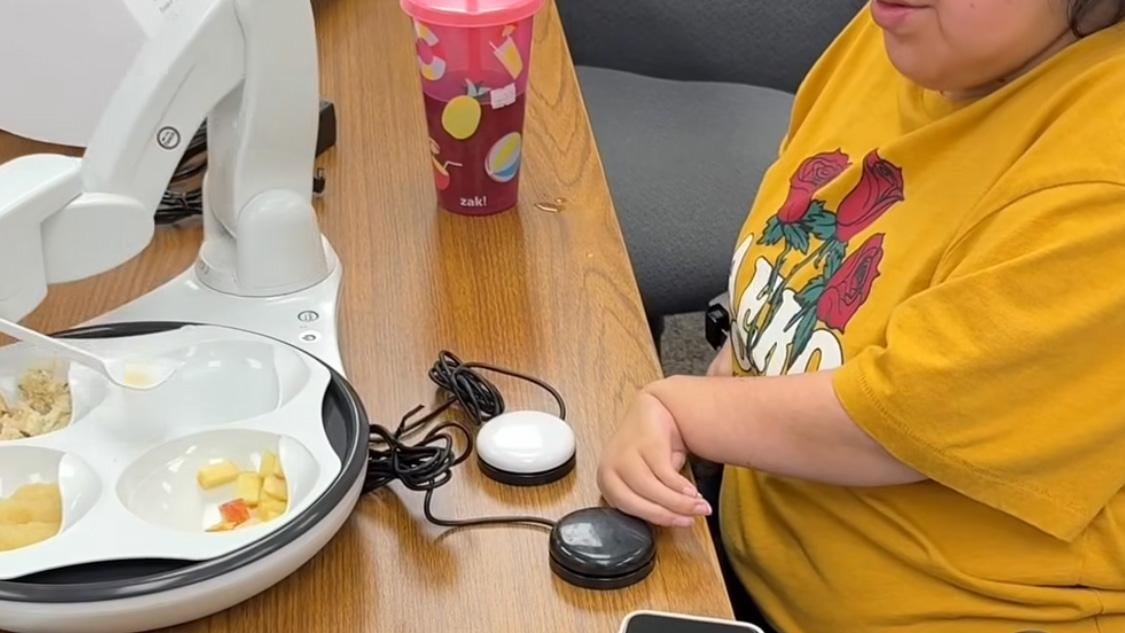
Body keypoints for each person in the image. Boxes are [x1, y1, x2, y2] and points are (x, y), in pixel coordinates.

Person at [596, 1, 1125, 631]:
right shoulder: (905, 31)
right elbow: (795, 259)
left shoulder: (1101, 178)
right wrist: (730, 373)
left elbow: (896, 421)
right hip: (742, 552)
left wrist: (681, 407)